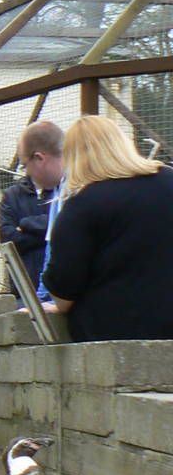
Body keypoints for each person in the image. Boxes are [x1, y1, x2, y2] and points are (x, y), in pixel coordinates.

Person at [41, 116, 173, 342]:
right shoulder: (169, 181)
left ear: (74, 158)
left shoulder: (82, 206)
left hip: (116, 336)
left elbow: (64, 290)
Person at [0, 121, 64, 298]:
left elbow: (62, 227)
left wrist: (26, 224)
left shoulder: (64, 189)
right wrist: (48, 230)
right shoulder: (12, 195)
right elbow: (8, 239)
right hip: (25, 292)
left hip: (60, 293)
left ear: (39, 158)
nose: (26, 171)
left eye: (26, 164)